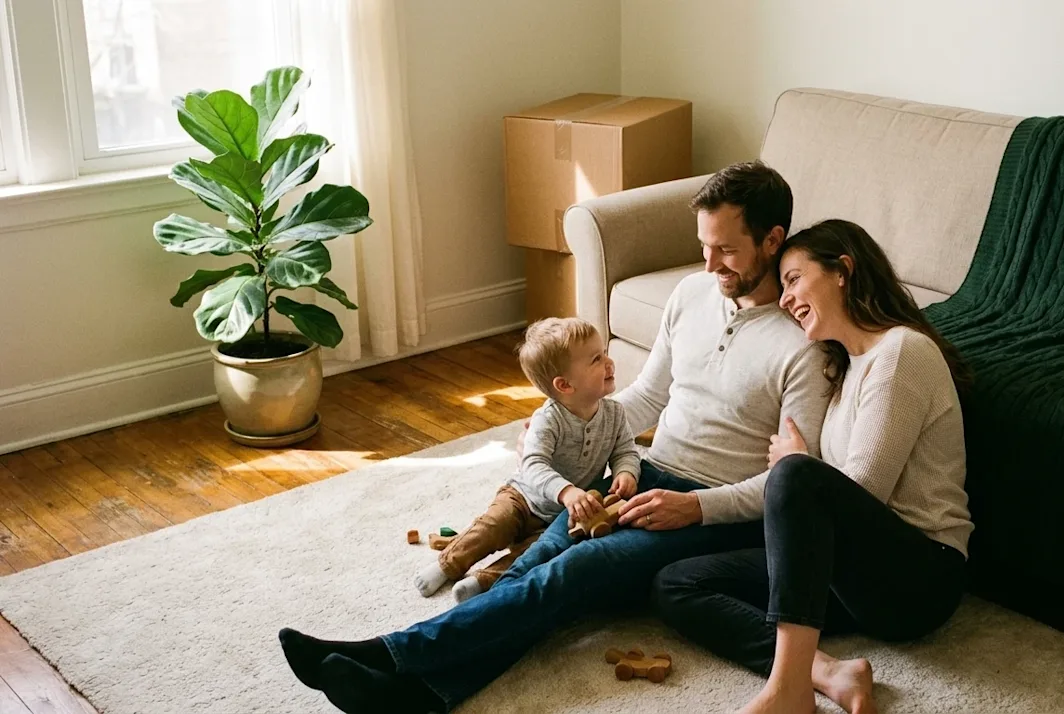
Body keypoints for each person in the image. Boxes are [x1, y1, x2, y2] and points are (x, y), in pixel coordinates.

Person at [278, 161, 832, 713]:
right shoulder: (690, 293)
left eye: (726, 250)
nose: (709, 263)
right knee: (533, 564)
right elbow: (645, 397)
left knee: (571, 571)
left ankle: (386, 654)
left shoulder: (801, 344)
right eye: (703, 245)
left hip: (714, 514)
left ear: (772, 240)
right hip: (642, 473)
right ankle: (421, 694)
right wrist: (571, 419)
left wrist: (693, 507)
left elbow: (791, 486)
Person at [653, 219, 974, 714]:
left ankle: (787, 692)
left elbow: (863, 494)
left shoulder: (902, 352)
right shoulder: (845, 369)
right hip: (850, 572)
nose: (785, 299)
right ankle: (826, 672)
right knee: (677, 583)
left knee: (795, 473)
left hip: (920, 578)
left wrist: (799, 466)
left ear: (843, 270)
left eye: (794, 279)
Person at [412, 317, 641, 603]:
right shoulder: (548, 419)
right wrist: (567, 491)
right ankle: (447, 565)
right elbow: (533, 465)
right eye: (597, 359)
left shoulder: (615, 414)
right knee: (491, 527)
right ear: (565, 385)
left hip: (562, 518)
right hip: (522, 499)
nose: (610, 363)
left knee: (538, 554)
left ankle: (481, 582)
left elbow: (626, 451)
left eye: (604, 352)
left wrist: (626, 472)